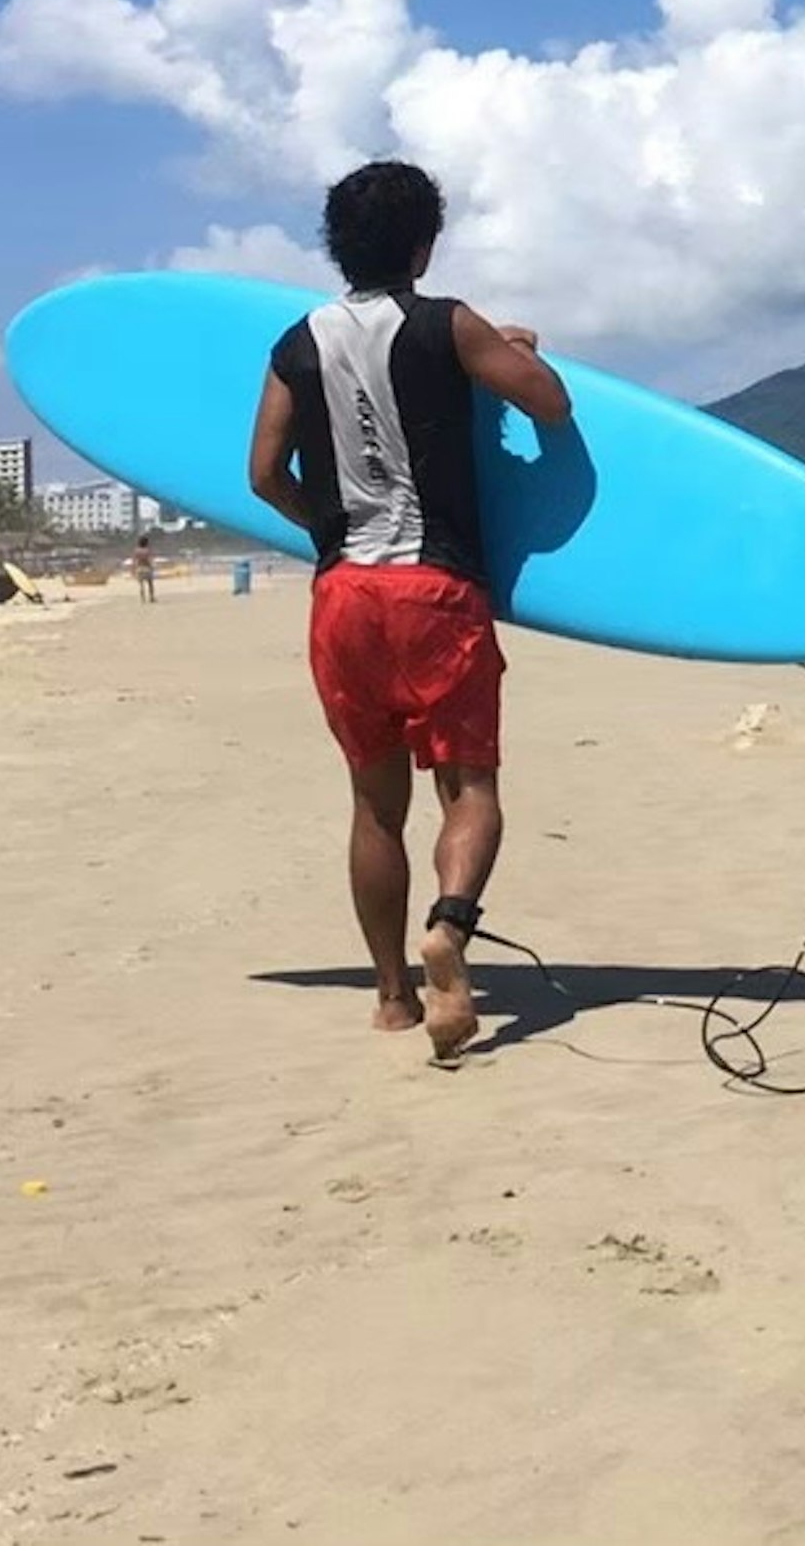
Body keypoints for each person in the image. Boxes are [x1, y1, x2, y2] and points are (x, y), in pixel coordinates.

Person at [246, 159, 571, 1060]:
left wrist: (332, 528)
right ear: (424, 245)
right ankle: (450, 931)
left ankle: (391, 997)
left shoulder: (295, 344)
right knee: (469, 792)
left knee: (373, 802)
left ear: (336, 247)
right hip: (436, 591)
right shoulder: (446, 323)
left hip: (344, 597)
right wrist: (509, 352)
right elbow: (549, 402)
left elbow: (265, 473)